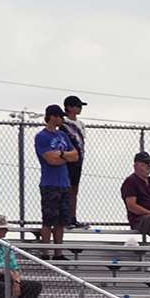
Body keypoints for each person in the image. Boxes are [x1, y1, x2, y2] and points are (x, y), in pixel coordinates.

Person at [33, 105, 79, 251]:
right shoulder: (42, 136)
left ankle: (58, 251)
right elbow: (50, 160)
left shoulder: (63, 135)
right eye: (59, 116)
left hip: (64, 183)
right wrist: (65, 156)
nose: (61, 119)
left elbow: (75, 155)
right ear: (52, 117)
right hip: (49, 183)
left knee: (60, 221)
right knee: (48, 220)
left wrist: (61, 155)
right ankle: (45, 251)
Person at [58, 95, 88, 226]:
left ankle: (73, 217)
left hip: (79, 160)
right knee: (66, 189)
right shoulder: (64, 123)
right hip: (68, 160)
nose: (79, 108)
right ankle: (65, 218)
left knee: (74, 189)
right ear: (69, 107)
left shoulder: (81, 124)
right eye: (77, 105)